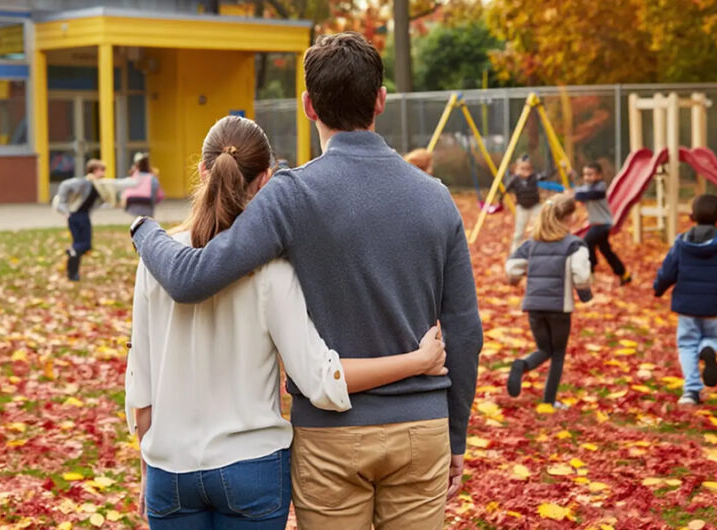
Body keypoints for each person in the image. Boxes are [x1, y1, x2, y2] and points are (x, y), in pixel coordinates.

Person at [129, 32, 483, 529]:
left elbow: (197, 274)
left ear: (307, 106)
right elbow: (466, 333)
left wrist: (145, 233)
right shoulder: (436, 197)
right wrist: (457, 436)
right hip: (421, 428)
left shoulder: (292, 196)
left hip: (332, 436)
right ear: (381, 100)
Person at [653, 194, 717, 406]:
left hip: (687, 306)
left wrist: (659, 288)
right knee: (710, 337)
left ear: (691, 216)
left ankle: (691, 391)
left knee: (686, 344)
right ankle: (707, 350)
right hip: (714, 306)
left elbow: (667, 271)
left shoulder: (681, 244)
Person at [505, 195, 592, 409]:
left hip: (533, 306)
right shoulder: (574, 245)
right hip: (559, 308)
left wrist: (523, 274)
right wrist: (585, 293)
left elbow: (512, 267)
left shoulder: (531, 244)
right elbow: (580, 274)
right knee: (558, 353)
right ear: (567, 218)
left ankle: (523, 364)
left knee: (544, 348)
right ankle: (549, 400)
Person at [53, 159, 123, 281]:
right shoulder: (84, 183)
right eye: (102, 170)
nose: (104, 173)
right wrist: (65, 210)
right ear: (95, 170)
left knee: (78, 245)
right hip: (77, 216)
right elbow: (65, 186)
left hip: (80, 216)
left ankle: (73, 274)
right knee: (84, 245)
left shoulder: (98, 185)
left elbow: (113, 187)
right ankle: (72, 255)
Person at [574, 162, 632, 285]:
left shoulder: (600, 187)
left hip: (603, 224)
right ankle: (623, 274)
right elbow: (579, 190)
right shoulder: (587, 187)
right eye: (585, 175)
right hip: (597, 224)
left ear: (599, 175)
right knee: (605, 250)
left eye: (590, 175)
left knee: (586, 243)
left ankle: (590, 271)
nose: (587, 177)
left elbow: (588, 195)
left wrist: (574, 194)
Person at [505, 155, 547, 253]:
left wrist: (558, 167)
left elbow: (544, 176)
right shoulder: (515, 179)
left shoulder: (534, 177)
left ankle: (535, 249)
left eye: (528, 168)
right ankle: (514, 252)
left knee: (537, 227)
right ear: (516, 169)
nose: (525, 171)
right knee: (519, 231)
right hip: (522, 207)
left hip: (535, 205)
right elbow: (506, 188)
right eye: (522, 168)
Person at [123, 152, 163, 218]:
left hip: (133, 201)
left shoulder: (134, 175)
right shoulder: (151, 177)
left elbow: (128, 187)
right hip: (147, 201)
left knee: (138, 220)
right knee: (147, 220)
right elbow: (155, 190)